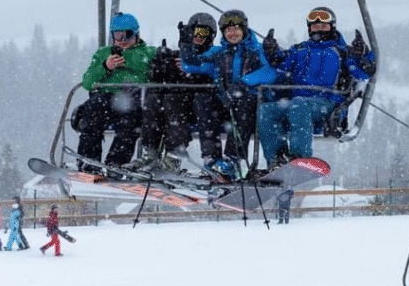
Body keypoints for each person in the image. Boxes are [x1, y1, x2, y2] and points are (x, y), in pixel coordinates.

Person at [257, 6, 375, 167]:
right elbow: (281, 64)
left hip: (327, 103)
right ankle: (276, 157)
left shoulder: (342, 52)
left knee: (299, 104)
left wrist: (362, 55)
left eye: (323, 25)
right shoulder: (300, 50)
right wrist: (271, 51)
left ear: (332, 27)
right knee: (266, 110)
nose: (318, 28)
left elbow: (363, 74)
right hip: (296, 103)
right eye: (315, 25)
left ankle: (300, 156)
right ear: (309, 28)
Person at [180, 9, 277, 178]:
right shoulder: (219, 52)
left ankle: (232, 159)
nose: (232, 34)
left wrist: (243, 84)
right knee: (203, 99)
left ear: (244, 29)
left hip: (250, 105)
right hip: (225, 103)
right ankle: (212, 158)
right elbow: (191, 64)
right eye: (228, 30)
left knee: (243, 101)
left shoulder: (256, 50)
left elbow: (271, 72)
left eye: (236, 29)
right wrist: (186, 46)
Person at [131, 12, 223, 171]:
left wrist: (192, 70)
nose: (199, 36)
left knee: (173, 100)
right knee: (154, 99)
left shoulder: (213, 55)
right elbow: (158, 78)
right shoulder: (178, 56)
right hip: (176, 106)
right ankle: (150, 152)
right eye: (195, 32)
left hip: (201, 107)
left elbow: (211, 75)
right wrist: (160, 65)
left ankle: (174, 155)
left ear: (211, 35)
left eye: (204, 33)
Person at [74, 13, 157, 173]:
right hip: (105, 98)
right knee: (93, 111)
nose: (123, 40)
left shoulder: (148, 53)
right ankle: (89, 160)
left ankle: (115, 162)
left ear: (136, 34)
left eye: (128, 35)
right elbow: (87, 82)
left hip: (133, 99)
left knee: (130, 120)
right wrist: (105, 67)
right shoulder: (103, 54)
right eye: (118, 35)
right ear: (112, 36)